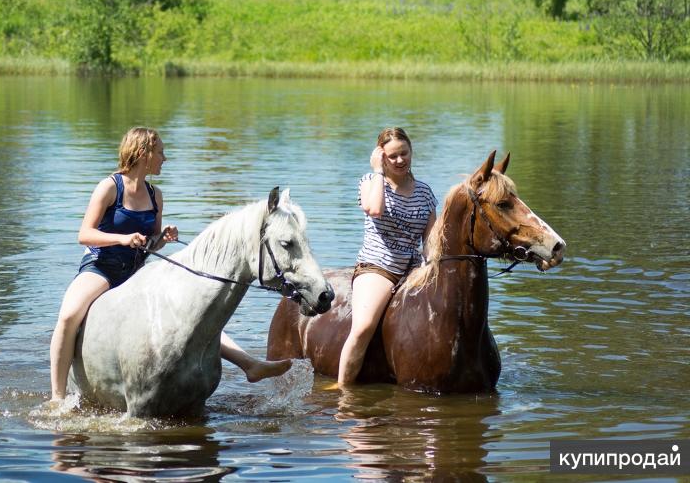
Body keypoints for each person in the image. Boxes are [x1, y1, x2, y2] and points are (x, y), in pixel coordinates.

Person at [49, 127, 291, 402]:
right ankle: (57, 397)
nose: (165, 157)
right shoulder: (109, 187)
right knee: (69, 316)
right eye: (161, 152)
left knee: (191, 319)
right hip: (102, 267)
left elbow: (150, 245)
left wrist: (161, 239)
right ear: (143, 154)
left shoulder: (155, 195)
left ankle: (250, 364)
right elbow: (85, 234)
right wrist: (123, 238)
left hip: (138, 275)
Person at [337, 127, 438, 386]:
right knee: (362, 328)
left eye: (404, 153)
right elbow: (375, 209)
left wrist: (433, 265)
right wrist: (379, 173)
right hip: (378, 266)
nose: (400, 160)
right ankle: (343, 391)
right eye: (392, 156)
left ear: (411, 151)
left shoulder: (425, 193)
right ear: (382, 157)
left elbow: (430, 241)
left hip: (414, 269)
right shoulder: (369, 182)